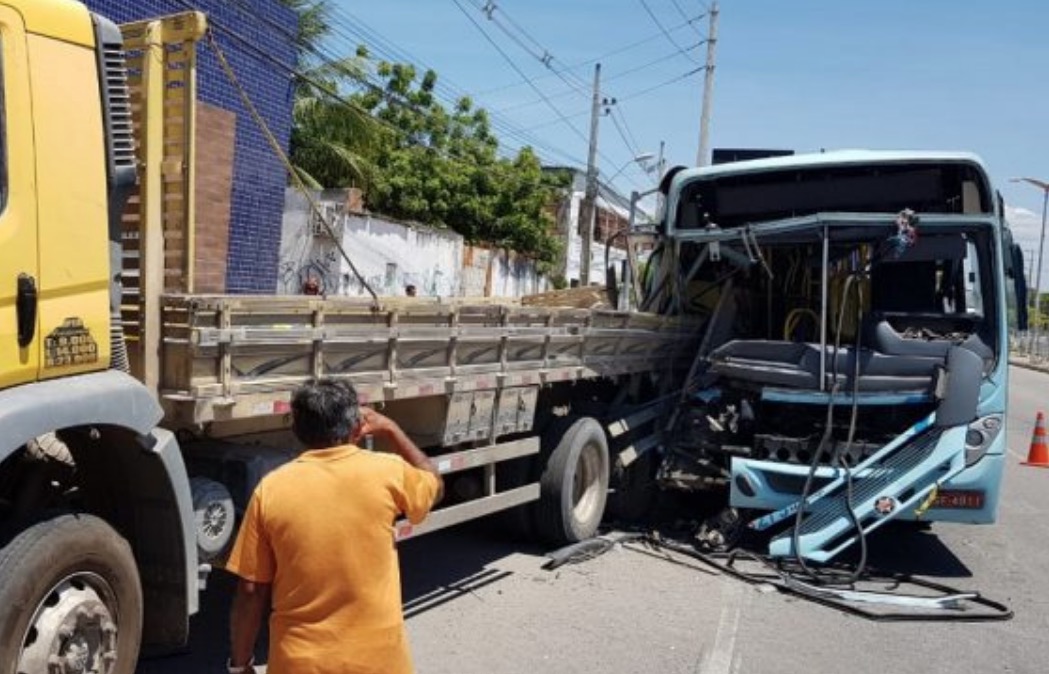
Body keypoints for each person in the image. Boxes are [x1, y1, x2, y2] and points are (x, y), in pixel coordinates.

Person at [225, 378, 444, 674]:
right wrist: (392, 429)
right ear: (355, 427)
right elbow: (435, 485)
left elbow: (251, 590)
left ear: (297, 429)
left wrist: (241, 665)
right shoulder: (388, 472)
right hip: (379, 661)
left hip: (301, 662)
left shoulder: (271, 489)